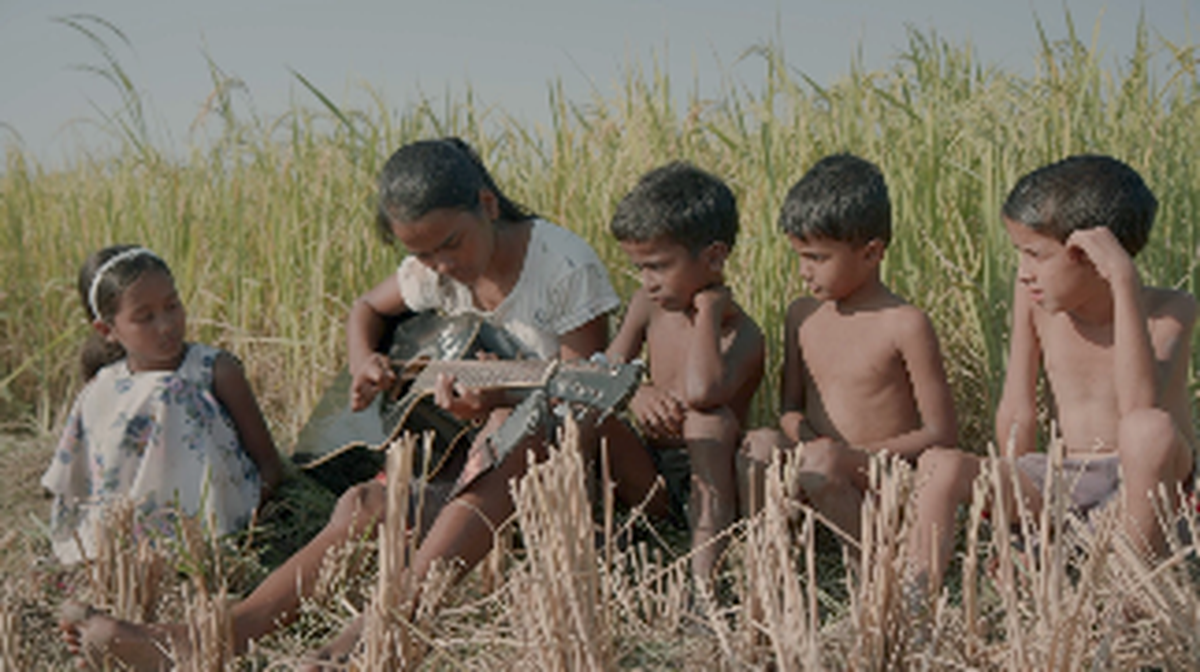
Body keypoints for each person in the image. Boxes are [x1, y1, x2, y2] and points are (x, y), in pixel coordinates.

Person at [58, 137, 621, 669]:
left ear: (488, 203)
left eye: (450, 244)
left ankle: (387, 625)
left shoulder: (562, 268)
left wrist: (502, 398)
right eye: (422, 255)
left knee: (515, 444)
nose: (441, 267)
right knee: (363, 503)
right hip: (481, 448)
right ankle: (223, 635)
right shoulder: (437, 271)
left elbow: (580, 404)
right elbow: (366, 310)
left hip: (560, 471)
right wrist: (364, 361)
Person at [907, 154, 1197, 596]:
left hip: (1144, 490)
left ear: (1093, 258)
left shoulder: (1171, 310)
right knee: (938, 466)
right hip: (1063, 481)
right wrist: (1012, 523)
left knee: (1148, 430)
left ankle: (1132, 608)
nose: (1024, 274)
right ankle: (913, 609)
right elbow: (1018, 409)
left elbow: (1139, 406)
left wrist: (1123, 282)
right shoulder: (1038, 305)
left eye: (1035, 255)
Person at [737, 154, 958, 551]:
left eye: (817, 258)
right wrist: (807, 440)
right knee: (760, 444)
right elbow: (789, 407)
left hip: (882, 479)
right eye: (799, 256)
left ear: (871, 253)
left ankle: (873, 569)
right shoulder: (802, 316)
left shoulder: (904, 324)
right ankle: (767, 566)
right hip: (816, 464)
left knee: (824, 464)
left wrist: (847, 455)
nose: (804, 272)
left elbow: (940, 433)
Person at [42, 245, 284, 565]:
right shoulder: (102, 389)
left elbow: (269, 462)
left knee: (171, 393)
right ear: (107, 330)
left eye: (172, 306)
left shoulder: (216, 371)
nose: (167, 325)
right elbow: (83, 481)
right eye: (145, 317)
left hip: (217, 523)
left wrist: (245, 520)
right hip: (132, 545)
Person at [599, 161, 765, 589]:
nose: (648, 281)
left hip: (712, 483)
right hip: (648, 476)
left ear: (713, 257)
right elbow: (607, 372)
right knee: (589, 418)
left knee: (710, 420)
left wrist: (709, 311)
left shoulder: (742, 334)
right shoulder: (646, 305)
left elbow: (703, 393)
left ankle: (703, 585)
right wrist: (637, 391)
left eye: (658, 266)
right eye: (640, 269)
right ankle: (596, 551)